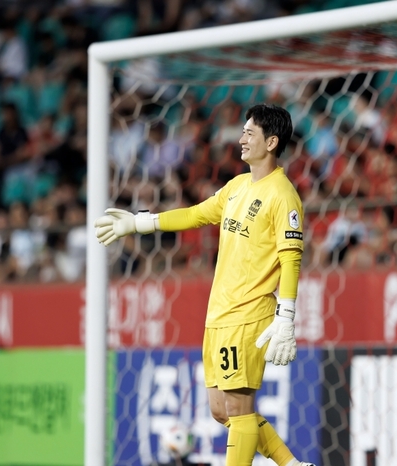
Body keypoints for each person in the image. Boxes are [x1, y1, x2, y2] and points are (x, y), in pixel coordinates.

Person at [94, 104, 313, 466]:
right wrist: (139, 223)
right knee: (220, 410)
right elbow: (196, 214)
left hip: (248, 313)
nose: (241, 139)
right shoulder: (237, 187)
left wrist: (286, 315)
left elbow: (290, 259)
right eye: (242, 131)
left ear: (272, 142)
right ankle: (292, 465)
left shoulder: (282, 195)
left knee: (239, 410)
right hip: (219, 314)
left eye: (250, 133)